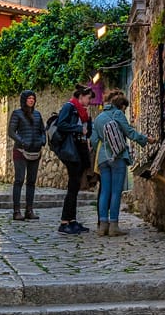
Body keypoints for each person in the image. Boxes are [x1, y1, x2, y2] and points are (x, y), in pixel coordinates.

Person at [90, 90, 149, 236]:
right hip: (118, 157)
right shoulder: (118, 114)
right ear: (121, 105)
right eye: (125, 108)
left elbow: (93, 141)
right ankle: (114, 226)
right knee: (116, 192)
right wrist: (146, 140)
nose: (125, 110)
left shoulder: (98, 118)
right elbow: (130, 132)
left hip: (103, 159)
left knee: (105, 191)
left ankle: (102, 226)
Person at [53, 84, 94, 235]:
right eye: (88, 98)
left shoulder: (83, 112)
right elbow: (62, 125)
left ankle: (72, 220)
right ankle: (64, 222)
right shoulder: (69, 107)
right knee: (72, 186)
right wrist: (77, 129)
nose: (89, 101)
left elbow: (87, 132)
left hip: (80, 150)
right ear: (81, 96)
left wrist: (88, 120)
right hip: (71, 151)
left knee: (75, 187)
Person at [7, 90, 45, 221]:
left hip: (35, 151)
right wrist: (22, 141)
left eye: (33, 98)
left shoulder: (38, 114)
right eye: (29, 98)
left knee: (31, 182)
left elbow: (42, 130)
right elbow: (11, 131)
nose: (31, 100)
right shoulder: (17, 114)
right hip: (21, 151)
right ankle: (16, 211)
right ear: (24, 100)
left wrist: (42, 140)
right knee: (19, 180)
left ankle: (29, 210)